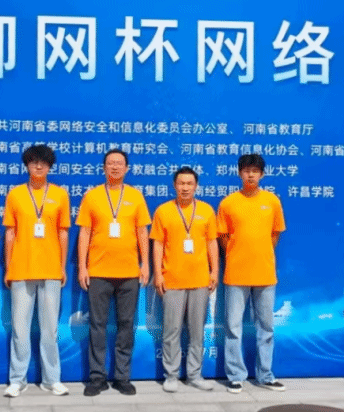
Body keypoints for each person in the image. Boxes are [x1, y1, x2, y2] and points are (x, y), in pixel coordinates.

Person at [76, 148, 151, 396]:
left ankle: (122, 376)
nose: (115, 167)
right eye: (111, 163)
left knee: (126, 325)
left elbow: (142, 232)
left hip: (129, 273)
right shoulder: (92, 196)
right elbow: (85, 232)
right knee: (97, 325)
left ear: (127, 168)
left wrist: (145, 264)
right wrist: (83, 266)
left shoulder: (135, 196)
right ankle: (97, 377)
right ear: (104, 168)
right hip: (98, 272)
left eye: (120, 163)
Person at [2, 144, 71, 397]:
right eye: (33, 162)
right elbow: (10, 233)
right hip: (21, 269)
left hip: (51, 270)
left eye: (43, 162)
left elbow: (63, 233)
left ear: (50, 166)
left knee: (50, 329)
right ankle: (17, 379)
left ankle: (52, 379)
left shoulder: (60, 195)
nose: (38, 166)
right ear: (27, 166)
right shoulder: (15, 195)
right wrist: (9, 267)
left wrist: (62, 267)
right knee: (20, 329)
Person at [217, 153, 286, 394]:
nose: (250, 175)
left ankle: (265, 375)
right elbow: (223, 237)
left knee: (266, 327)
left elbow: (275, 233)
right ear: (240, 173)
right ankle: (235, 376)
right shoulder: (228, 203)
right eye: (246, 171)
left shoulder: (272, 201)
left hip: (265, 273)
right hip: (236, 274)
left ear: (262, 175)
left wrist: (260, 253)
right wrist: (238, 253)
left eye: (255, 171)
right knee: (233, 327)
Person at [151, 166, 219, 392]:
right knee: (171, 330)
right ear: (174, 185)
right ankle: (171, 375)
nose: (185, 188)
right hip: (172, 279)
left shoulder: (206, 211)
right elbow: (158, 244)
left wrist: (214, 271)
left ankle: (194, 374)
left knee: (197, 331)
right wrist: (158, 274)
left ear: (196, 186)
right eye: (181, 183)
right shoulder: (163, 211)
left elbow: (212, 243)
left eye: (189, 184)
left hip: (200, 280)